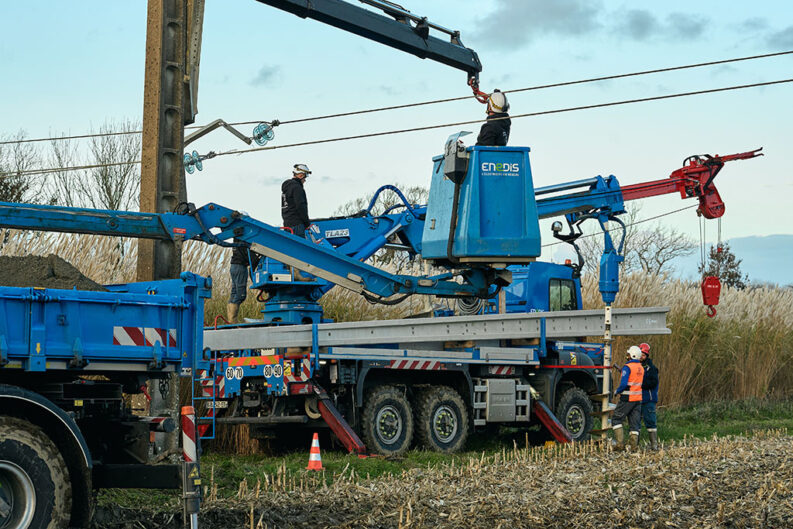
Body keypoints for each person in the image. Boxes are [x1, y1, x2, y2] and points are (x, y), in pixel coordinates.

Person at [612, 345, 644, 451]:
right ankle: (634, 446)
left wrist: (617, 391)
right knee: (634, 424)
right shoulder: (641, 367)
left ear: (632, 355)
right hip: (638, 399)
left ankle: (620, 444)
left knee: (616, 419)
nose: (627, 356)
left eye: (629, 354)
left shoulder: (627, 367)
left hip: (627, 398)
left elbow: (624, 384)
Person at [227, 243, 260, 323]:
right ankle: (233, 320)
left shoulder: (238, 239)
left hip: (234, 266)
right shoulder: (245, 241)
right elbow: (253, 259)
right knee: (240, 295)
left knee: (234, 293)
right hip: (240, 267)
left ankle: (231, 320)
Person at [281, 163, 312, 238]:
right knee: (301, 248)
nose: (305, 180)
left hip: (287, 224)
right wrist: (307, 223)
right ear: (301, 175)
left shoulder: (287, 189)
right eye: (305, 177)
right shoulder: (297, 188)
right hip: (297, 225)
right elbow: (301, 206)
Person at [639, 342, 660, 450]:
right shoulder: (637, 367)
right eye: (640, 355)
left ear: (646, 355)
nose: (641, 357)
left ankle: (654, 445)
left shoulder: (652, 369)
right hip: (638, 399)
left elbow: (653, 383)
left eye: (643, 355)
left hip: (649, 400)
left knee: (650, 421)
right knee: (635, 422)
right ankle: (635, 445)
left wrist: (640, 384)